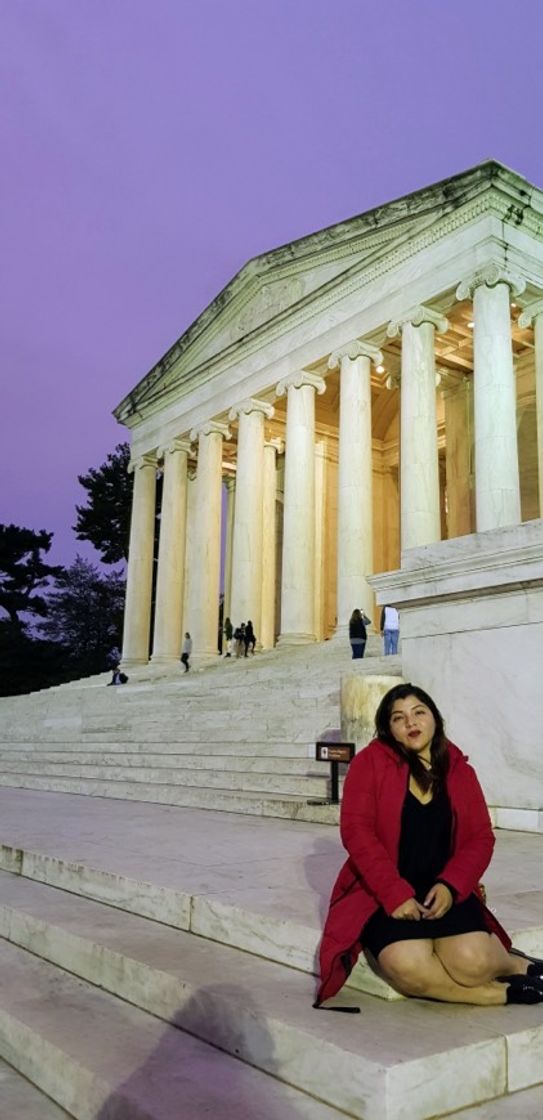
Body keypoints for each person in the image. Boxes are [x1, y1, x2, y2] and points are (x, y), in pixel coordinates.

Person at [315, 683, 543, 1009]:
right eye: (399, 717)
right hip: (383, 891)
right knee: (407, 964)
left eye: (419, 712)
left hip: (444, 887)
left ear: (434, 718)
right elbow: (356, 831)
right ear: (388, 729)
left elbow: (481, 837)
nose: (411, 722)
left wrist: (451, 886)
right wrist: (395, 894)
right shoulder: (370, 764)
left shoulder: (459, 769)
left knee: (472, 961)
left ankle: (518, 965)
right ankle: (496, 994)